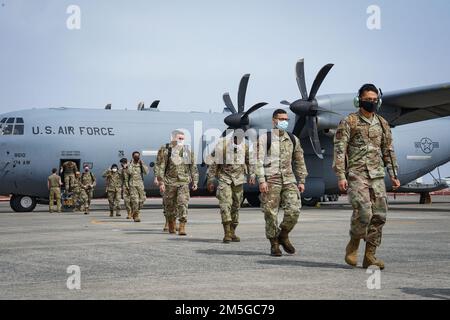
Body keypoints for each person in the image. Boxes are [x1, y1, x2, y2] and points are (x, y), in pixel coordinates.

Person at [333, 83, 400, 270]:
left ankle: (370, 256)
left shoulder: (382, 123)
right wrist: (341, 175)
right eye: (368, 99)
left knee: (379, 216)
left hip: (377, 175)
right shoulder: (349, 121)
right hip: (357, 174)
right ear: (359, 100)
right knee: (364, 213)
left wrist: (393, 174)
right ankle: (353, 244)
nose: (372, 102)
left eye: (374, 99)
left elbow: (388, 150)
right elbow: (339, 149)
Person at [256, 109, 308, 257]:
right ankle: (274, 244)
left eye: (286, 119)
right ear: (274, 120)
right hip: (271, 179)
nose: (284, 121)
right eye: (281, 119)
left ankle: (283, 234)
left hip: (289, 179)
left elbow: (299, 160)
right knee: (270, 213)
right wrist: (261, 180)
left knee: (294, 210)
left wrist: (302, 180)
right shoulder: (264, 139)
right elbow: (257, 161)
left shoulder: (293, 139)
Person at [207, 132, 256, 243]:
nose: (239, 141)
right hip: (225, 179)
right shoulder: (222, 146)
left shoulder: (245, 147)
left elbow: (251, 162)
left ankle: (233, 231)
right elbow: (213, 164)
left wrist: (252, 175)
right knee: (225, 205)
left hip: (239, 180)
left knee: (236, 206)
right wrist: (210, 180)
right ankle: (227, 233)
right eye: (237, 139)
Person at [155, 130, 199, 235]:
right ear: (173, 138)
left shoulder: (187, 150)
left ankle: (182, 226)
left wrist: (195, 181)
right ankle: (171, 224)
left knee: (183, 203)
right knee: (170, 205)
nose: (181, 140)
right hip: (169, 182)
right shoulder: (166, 150)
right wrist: (161, 182)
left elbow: (192, 167)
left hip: (183, 182)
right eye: (179, 138)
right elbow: (160, 166)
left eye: (183, 138)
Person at [128, 152, 149, 222]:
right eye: (135, 156)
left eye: (138, 156)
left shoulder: (141, 164)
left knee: (142, 200)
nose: (136, 157)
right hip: (133, 185)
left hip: (140, 185)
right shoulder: (130, 164)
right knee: (135, 201)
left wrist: (142, 164)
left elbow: (146, 172)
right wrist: (130, 164)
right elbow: (129, 172)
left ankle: (135, 211)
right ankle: (136, 215)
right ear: (133, 156)